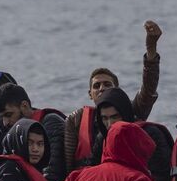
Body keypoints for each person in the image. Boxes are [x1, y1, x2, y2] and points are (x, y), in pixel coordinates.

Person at [66, 20, 163, 171]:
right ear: (90, 94)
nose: (102, 88)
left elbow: (148, 90)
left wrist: (151, 50)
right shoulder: (76, 119)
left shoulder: (131, 111)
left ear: (116, 89)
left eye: (107, 84)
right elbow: (66, 161)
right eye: (96, 86)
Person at [69, 87, 173, 181]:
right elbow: (92, 167)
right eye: (105, 118)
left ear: (125, 113)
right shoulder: (103, 137)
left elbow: (162, 177)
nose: (110, 123)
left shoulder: (150, 134)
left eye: (115, 117)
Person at [0, 83, 68, 181]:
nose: (5, 123)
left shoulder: (51, 123)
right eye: (1, 117)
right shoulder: (14, 135)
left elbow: (53, 175)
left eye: (9, 115)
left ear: (24, 106)